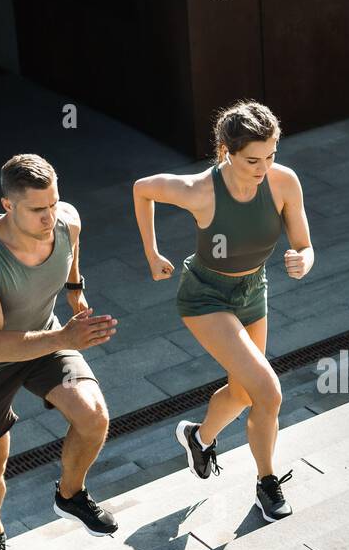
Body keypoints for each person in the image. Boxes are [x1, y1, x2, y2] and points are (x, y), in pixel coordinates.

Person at [132, 100, 315, 522]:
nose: (263, 167)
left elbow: (304, 244)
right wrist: (151, 252)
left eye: (271, 155)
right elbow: (143, 188)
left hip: (254, 290)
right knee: (268, 391)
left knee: (243, 391)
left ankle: (199, 437)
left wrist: (302, 260)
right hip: (206, 296)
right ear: (226, 152)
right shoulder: (199, 190)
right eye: (253, 159)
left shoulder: (284, 183)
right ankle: (266, 483)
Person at [0, 153, 120, 550]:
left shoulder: (67, 221)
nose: (50, 217)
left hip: (44, 340)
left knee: (93, 416)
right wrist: (64, 338)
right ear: (8, 205)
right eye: (37, 209)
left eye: (54, 203)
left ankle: (70, 494)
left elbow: (71, 252)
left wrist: (76, 290)